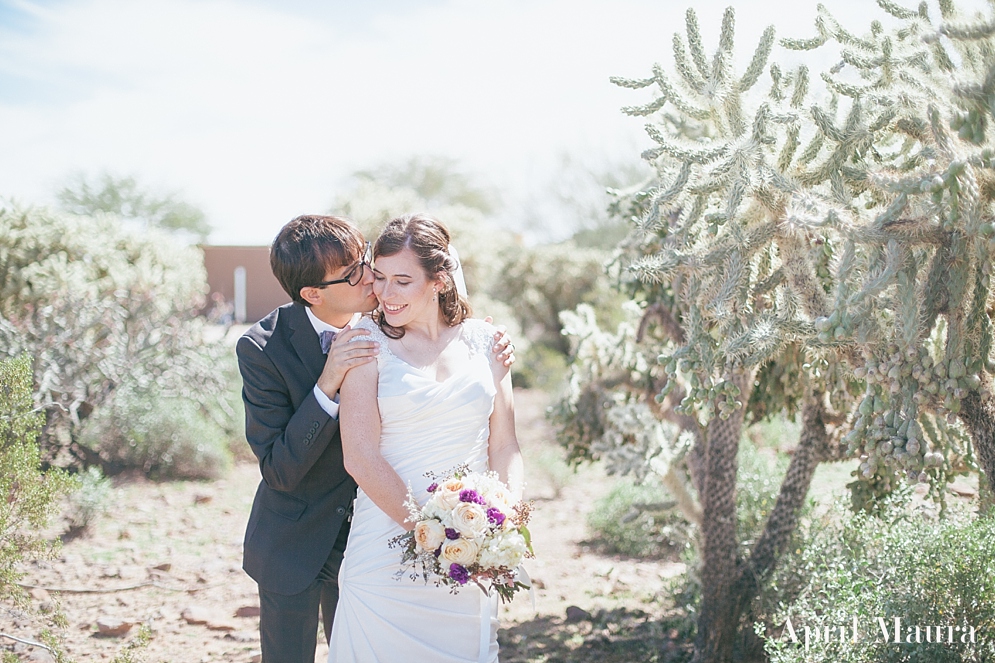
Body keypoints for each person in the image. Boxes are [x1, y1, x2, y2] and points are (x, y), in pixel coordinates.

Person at [236, 214, 514, 663]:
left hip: (379, 525)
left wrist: (479, 343)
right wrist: (327, 384)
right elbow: (279, 469)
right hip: (300, 537)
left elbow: (431, 317)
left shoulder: (385, 315)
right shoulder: (263, 348)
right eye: (354, 274)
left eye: (365, 261)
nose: (371, 279)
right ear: (313, 294)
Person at [328, 213, 524, 663]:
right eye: (379, 277)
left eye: (402, 280)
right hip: (384, 546)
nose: (384, 293)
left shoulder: (487, 342)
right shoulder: (365, 343)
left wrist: (502, 521)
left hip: (467, 547)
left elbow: (505, 445)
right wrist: (425, 533)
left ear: (439, 281)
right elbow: (360, 456)